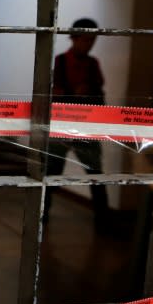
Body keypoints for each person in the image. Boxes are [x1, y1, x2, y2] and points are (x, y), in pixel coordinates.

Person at [44, 18, 110, 229]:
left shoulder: (93, 64)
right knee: (52, 173)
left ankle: (103, 221)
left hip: (86, 128)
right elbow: (50, 96)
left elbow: (100, 97)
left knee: (95, 175)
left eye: (92, 40)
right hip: (60, 127)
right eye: (85, 39)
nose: (89, 44)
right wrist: (76, 95)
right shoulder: (59, 62)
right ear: (74, 38)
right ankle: (41, 215)